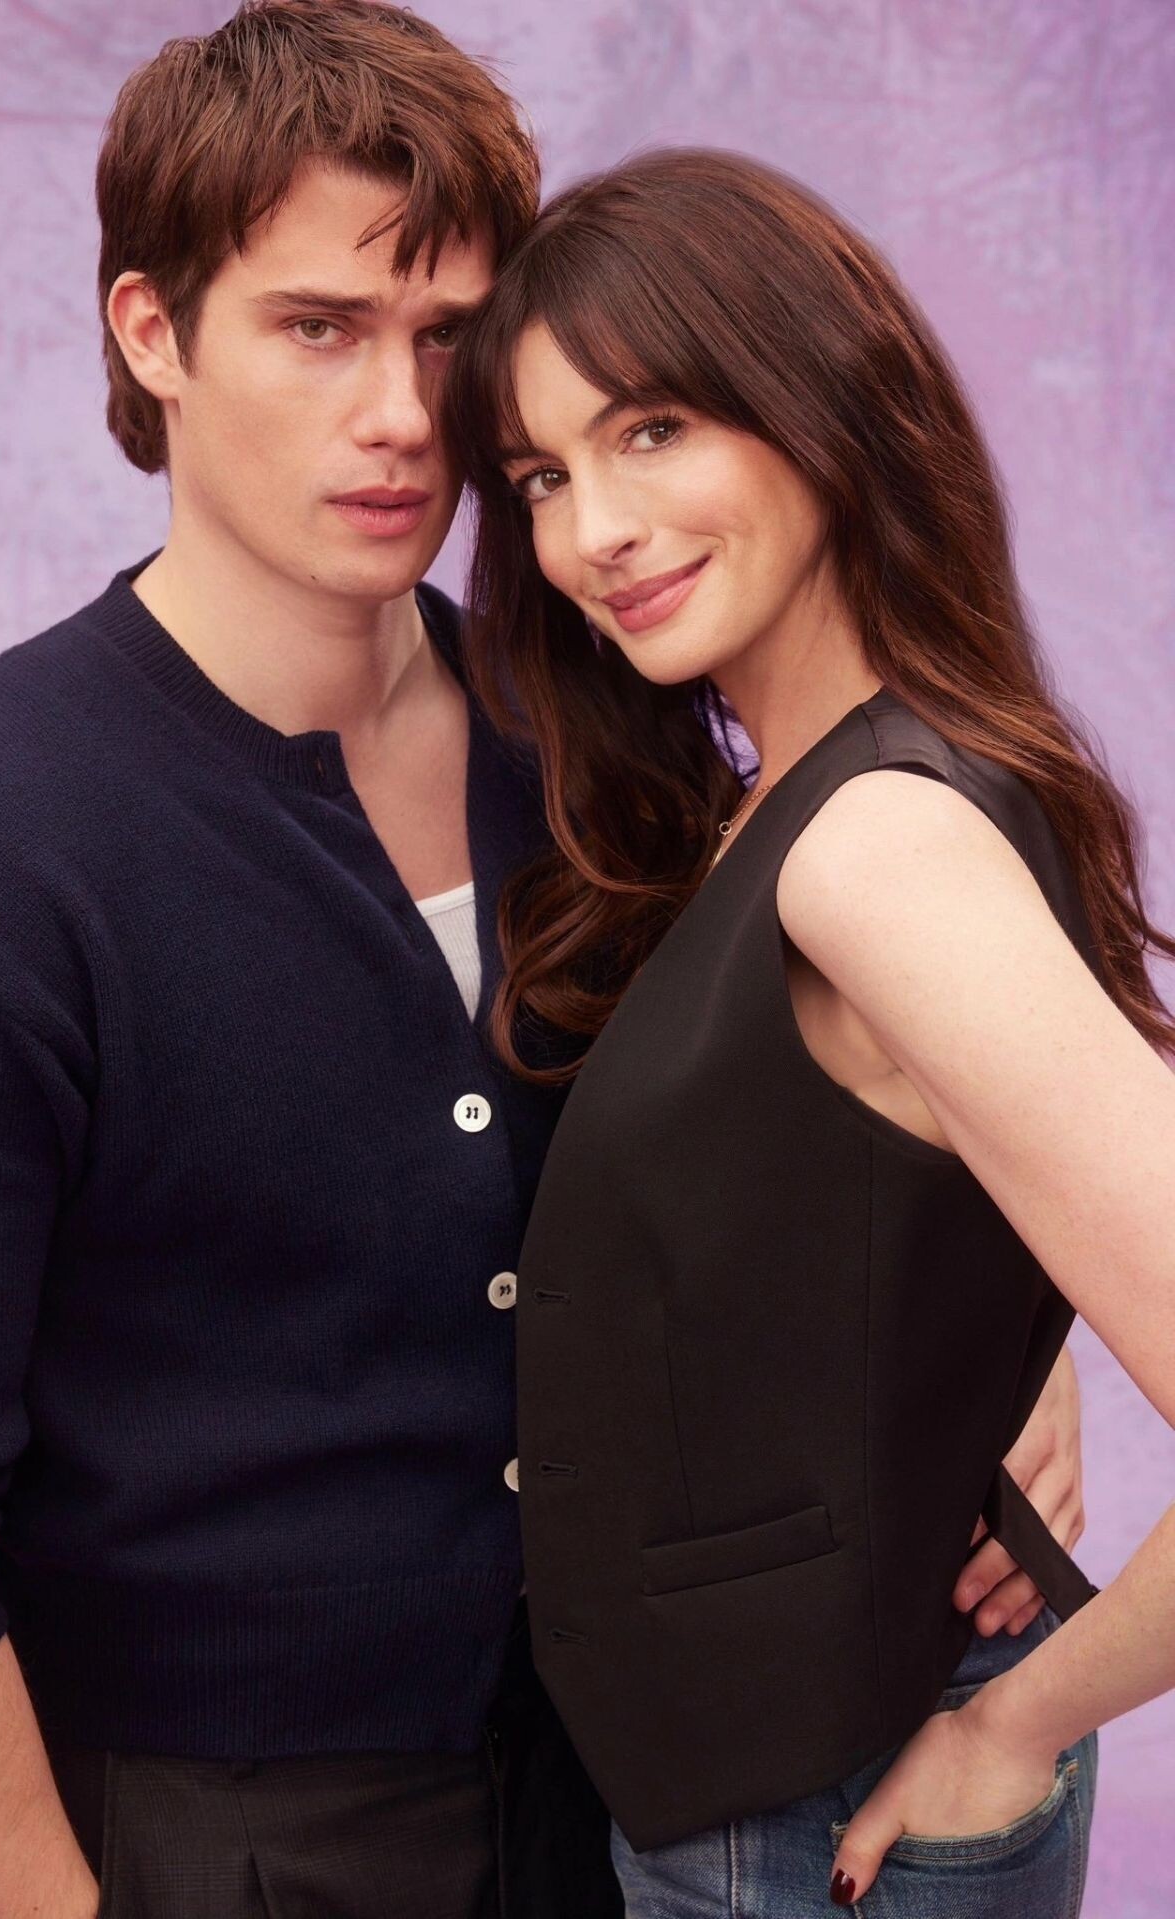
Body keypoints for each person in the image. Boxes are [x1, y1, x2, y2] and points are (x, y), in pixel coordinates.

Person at [0, 10, 1083, 1914]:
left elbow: (843, 1133)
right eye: (318, 327)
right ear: (151, 333)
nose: (400, 414)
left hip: (641, 1806)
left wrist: (1009, 1356)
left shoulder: (598, 730)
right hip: (222, 1839)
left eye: (447, 336)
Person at [443, 146, 1175, 1916]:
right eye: (543, 476)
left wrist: (1020, 1727)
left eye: (653, 429)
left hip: (821, 1820)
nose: (593, 532)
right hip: (765, 1786)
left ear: (819, 398)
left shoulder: (875, 848)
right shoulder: (812, 802)